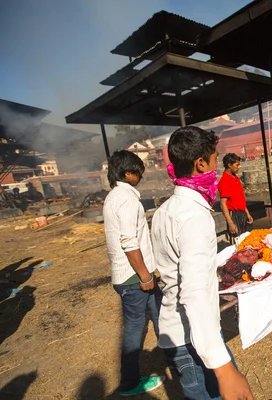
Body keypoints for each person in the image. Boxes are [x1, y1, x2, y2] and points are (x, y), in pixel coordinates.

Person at [152, 126, 254, 400]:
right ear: (201, 164)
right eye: (213, 159)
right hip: (192, 337)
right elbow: (194, 293)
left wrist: (229, 255)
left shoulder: (165, 211)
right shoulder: (194, 216)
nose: (216, 168)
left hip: (180, 331)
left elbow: (177, 267)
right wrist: (224, 371)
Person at [102, 150, 164, 397]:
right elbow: (129, 242)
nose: (141, 175)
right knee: (135, 328)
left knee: (160, 313)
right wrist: (145, 277)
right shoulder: (126, 200)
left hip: (135, 274)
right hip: (134, 277)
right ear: (128, 173)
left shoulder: (115, 196)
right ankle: (129, 383)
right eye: (138, 171)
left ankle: (176, 358)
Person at [219, 153, 253, 243]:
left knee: (246, 240)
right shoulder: (225, 181)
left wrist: (247, 213)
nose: (239, 167)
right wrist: (230, 223)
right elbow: (223, 203)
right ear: (229, 165)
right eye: (237, 165)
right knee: (237, 243)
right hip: (234, 215)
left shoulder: (236, 178)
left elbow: (240, 198)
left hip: (242, 213)